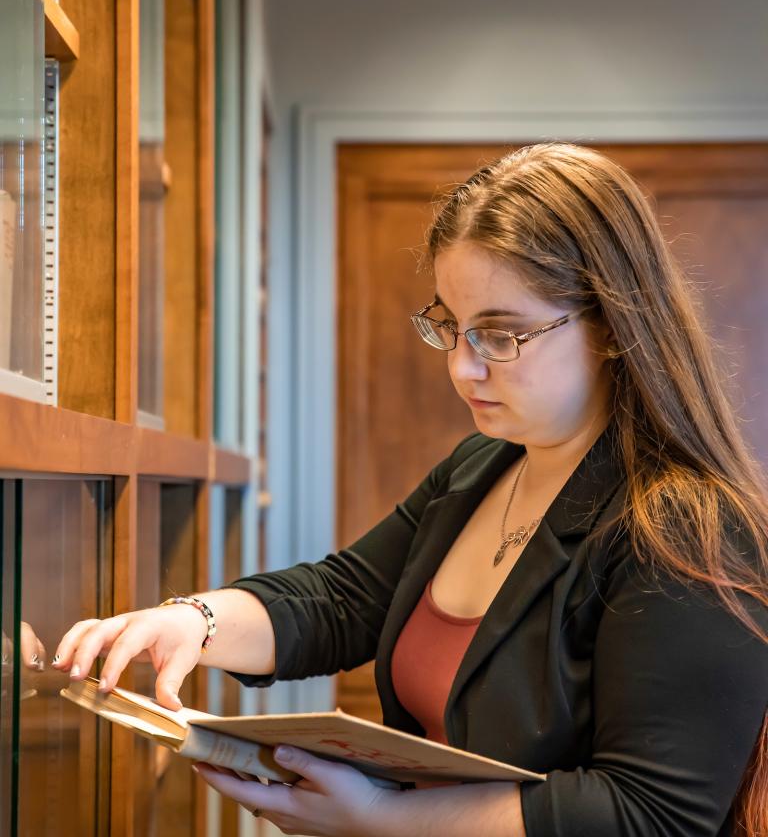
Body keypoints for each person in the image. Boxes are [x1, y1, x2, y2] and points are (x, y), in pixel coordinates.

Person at [54, 143, 768, 836]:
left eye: (501, 336)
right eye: (452, 328)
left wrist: (384, 822)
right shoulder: (481, 466)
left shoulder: (687, 527)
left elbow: (649, 815)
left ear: (612, 326)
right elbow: (341, 600)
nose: (463, 368)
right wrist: (192, 621)